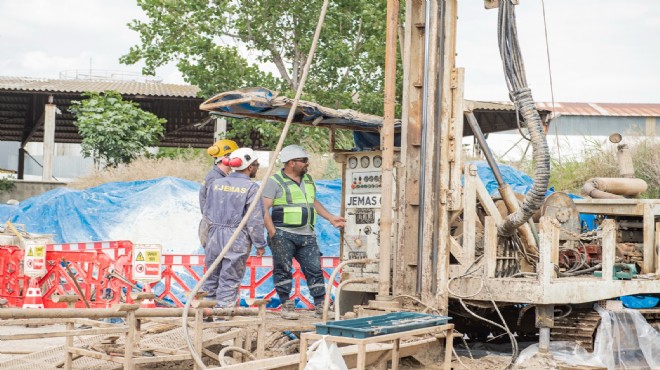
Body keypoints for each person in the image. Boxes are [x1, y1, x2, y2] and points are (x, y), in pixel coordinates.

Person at [262, 145, 345, 319]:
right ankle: (287, 305)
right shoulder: (274, 181)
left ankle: (320, 305)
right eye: (304, 161)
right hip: (283, 234)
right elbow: (263, 209)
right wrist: (272, 232)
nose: (307, 163)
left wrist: (330, 218)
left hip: (307, 235)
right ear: (292, 163)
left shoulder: (308, 180)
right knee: (283, 269)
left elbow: (312, 202)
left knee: (314, 269)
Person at [202, 147, 267, 307]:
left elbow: (206, 211)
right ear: (250, 167)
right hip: (236, 238)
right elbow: (255, 219)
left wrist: (207, 237)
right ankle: (221, 317)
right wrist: (260, 244)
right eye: (257, 164)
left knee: (211, 277)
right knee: (229, 280)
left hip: (213, 236)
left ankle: (205, 314)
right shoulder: (251, 188)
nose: (257, 168)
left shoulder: (216, 184)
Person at [199, 139, 238, 248]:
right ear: (227, 156)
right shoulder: (216, 179)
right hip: (215, 233)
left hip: (215, 231)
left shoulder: (218, 177)